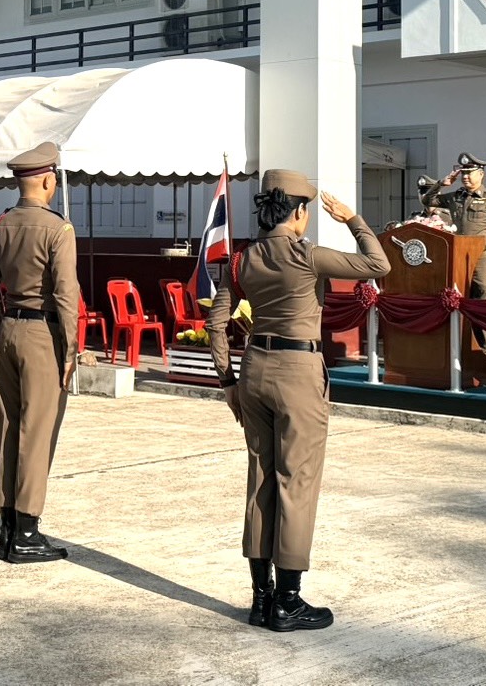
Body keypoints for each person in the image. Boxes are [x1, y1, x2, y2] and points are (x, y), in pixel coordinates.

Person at [206, 170, 390, 632]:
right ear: (301, 212)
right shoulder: (308, 256)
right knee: (296, 482)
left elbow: (215, 323)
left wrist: (227, 381)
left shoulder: (241, 260)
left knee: (261, 480)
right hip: (298, 372)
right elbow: (379, 265)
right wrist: (352, 219)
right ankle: (288, 602)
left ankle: (260, 598)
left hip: (253, 369)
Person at [0, 141, 78, 565]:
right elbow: (66, 294)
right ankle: (25, 532)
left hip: (9, 328)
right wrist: (71, 348)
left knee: (9, 426)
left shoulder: (1, 224)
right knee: (37, 433)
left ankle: (7, 525)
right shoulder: (58, 229)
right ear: (47, 180)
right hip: (43, 334)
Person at [420, 153, 486, 358]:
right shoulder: (455, 196)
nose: (466, 177)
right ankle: (464, 353)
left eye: (470, 173)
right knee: (459, 301)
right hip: (460, 256)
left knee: (483, 304)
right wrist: (442, 184)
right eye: (463, 173)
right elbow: (428, 200)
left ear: (481, 174)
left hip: (483, 257)